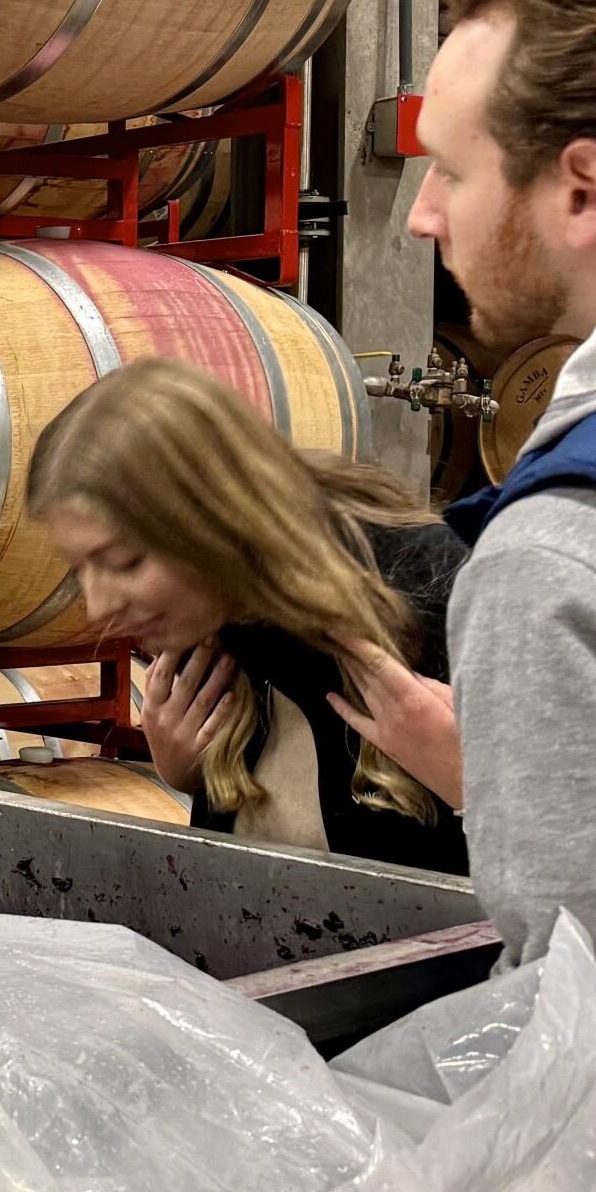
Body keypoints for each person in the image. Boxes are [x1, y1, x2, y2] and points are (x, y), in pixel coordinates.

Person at [339, 0, 596, 1016]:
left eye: (451, 169)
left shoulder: (552, 562)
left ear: (584, 189)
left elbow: (579, 1049)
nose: (419, 215)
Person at [27, 358, 468, 874]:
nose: (99, 606)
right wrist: (192, 777)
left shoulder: (433, 593)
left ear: (215, 518)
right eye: (80, 569)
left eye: (124, 561)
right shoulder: (216, 618)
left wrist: (477, 786)